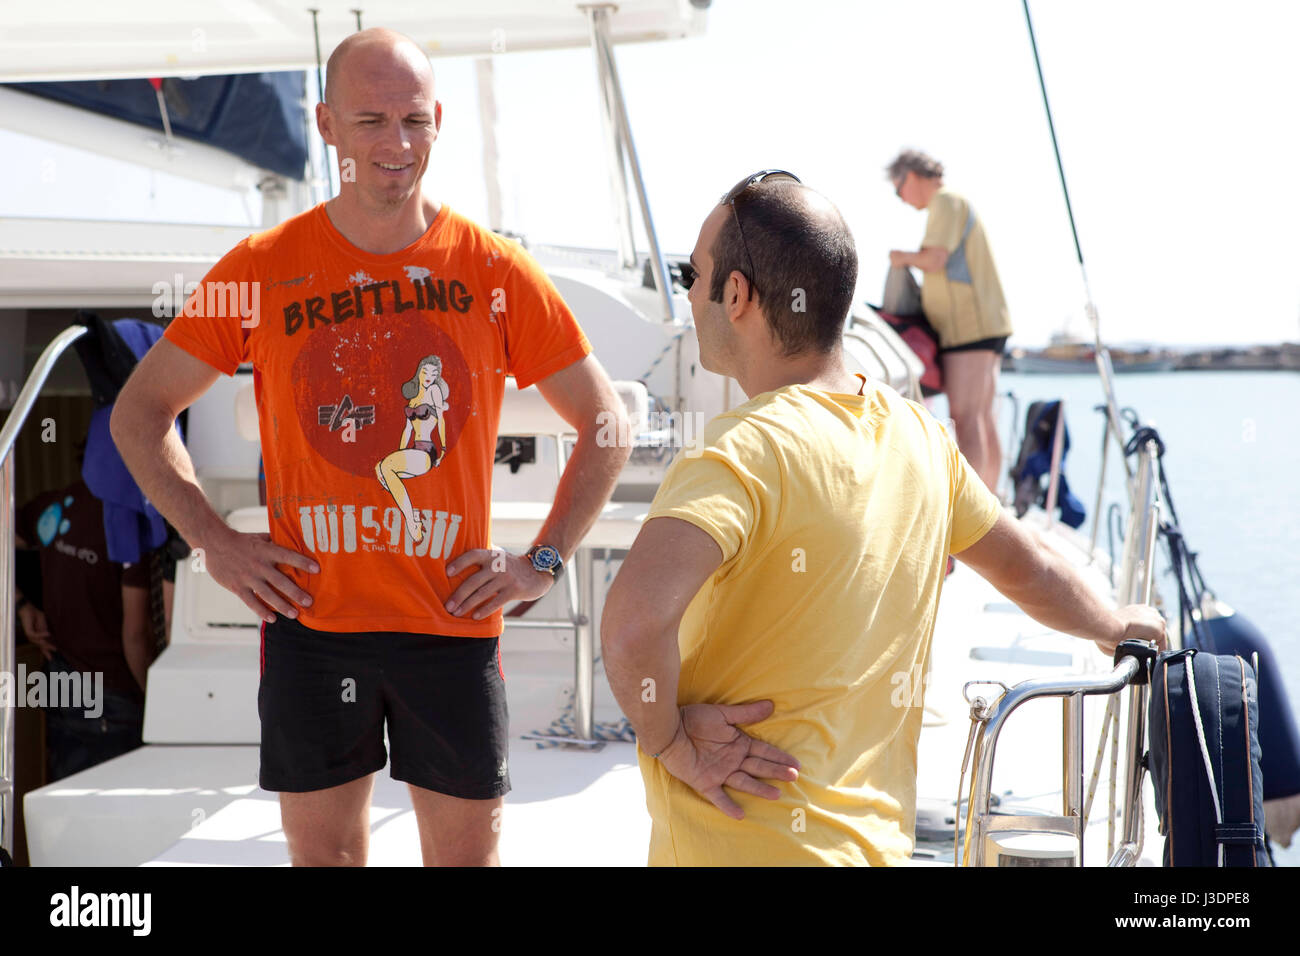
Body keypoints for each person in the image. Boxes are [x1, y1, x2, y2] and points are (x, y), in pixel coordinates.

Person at [110, 27, 631, 867]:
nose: (396, 144)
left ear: (439, 122)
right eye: (370, 121)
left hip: (452, 625)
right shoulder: (263, 265)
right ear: (323, 124)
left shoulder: (495, 272)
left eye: (414, 120)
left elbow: (607, 425)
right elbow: (138, 415)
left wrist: (542, 561)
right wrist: (218, 544)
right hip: (311, 626)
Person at [600, 171, 1165, 866]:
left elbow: (632, 627)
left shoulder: (741, 450)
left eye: (696, 274)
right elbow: (1031, 567)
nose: (689, 293)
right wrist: (1113, 625)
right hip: (874, 848)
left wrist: (668, 743)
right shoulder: (919, 438)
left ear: (738, 295)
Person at [14, 472, 158, 781]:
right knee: (117, 811)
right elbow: (135, 636)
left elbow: (3, 533)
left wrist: (19, 605)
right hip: (113, 696)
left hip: (61, 681)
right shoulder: (131, 521)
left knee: (65, 802)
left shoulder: (58, 504)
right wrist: (156, 700)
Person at [888, 149, 1012, 494]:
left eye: (898, 189)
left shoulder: (944, 202)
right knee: (983, 418)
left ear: (910, 176)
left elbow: (935, 259)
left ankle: (974, 518)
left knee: (967, 416)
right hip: (986, 325)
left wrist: (901, 258)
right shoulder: (955, 203)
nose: (900, 198)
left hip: (968, 328)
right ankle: (991, 504)